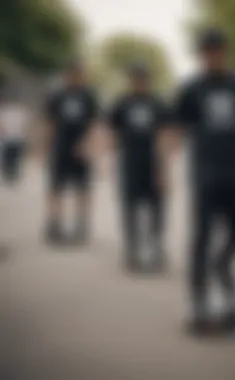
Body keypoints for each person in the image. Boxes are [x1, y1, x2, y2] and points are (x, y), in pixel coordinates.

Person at [165, 28, 235, 335]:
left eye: (217, 49)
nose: (212, 55)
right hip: (205, 173)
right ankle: (198, 302)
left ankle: (224, 272)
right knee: (202, 237)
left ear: (225, 51)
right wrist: (164, 168)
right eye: (207, 50)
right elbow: (175, 129)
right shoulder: (190, 88)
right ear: (201, 54)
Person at [108, 62, 170, 273]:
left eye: (143, 78)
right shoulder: (122, 103)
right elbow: (112, 132)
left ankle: (156, 248)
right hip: (130, 163)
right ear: (131, 80)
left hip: (154, 163)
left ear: (148, 81)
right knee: (130, 207)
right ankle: (132, 250)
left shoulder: (157, 104)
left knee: (156, 208)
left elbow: (164, 136)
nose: (140, 82)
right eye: (136, 78)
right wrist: (110, 160)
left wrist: (164, 169)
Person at [44, 61, 98, 244]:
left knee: (82, 189)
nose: (75, 77)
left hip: (81, 149)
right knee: (56, 187)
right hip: (61, 147)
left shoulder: (88, 96)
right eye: (71, 73)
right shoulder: (57, 96)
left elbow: (94, 124)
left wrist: (88, 144)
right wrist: (45, 147)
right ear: (66, 75)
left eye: (78, 73)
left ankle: (81, 225)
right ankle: (54, 224)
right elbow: (49, 123)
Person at [0, 99, 30, 184]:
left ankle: (13, 173)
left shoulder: (8, 113)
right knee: (11, 158)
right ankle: (10, 173)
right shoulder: (8, 113)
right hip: (11, 140)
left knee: (15, 159)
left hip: (15, 140)